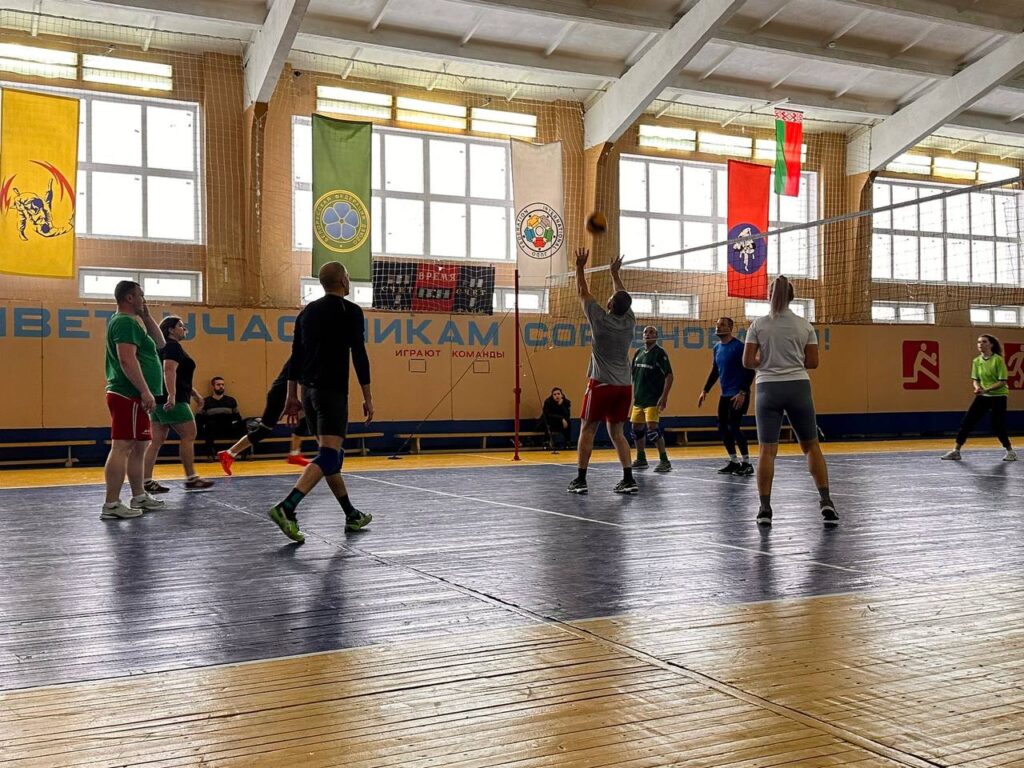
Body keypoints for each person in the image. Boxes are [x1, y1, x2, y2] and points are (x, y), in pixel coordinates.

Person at [268, 261, 374, 543]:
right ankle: (286, 507)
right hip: (332, 391)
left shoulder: (307, 312)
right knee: (328, 455)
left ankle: (351, 514)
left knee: (331, 456)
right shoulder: (350, 311)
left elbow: (296, 355)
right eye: (348, 276)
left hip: (308, 392)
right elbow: (359, 355)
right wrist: (368, 396)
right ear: (343, 281)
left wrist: (292, 396)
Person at [742, 275, 837, 527]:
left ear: (769, 295)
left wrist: (767, 361)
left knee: (767, 450)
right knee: (811, 446)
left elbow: (747, 361)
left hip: (767, 388)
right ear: (792, 297)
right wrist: (791, 361)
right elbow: (813, 362)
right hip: (798, 387)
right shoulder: (804, 325)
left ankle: (764, 509)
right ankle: (826, 500)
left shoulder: (758, 325)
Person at [568, 248, 637, 495]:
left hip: (601, 384)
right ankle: (628, 478)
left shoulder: (600, 320)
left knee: (587, 428)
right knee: (617, 433)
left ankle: (580, 479)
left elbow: (582, 291)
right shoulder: (630, 321)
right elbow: (623, 297)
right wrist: (615, 273)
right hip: (624, 386)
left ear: (609, 304)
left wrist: (579, 267)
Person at [101, 280, 167, 520]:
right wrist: (145, 391)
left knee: (140, 446)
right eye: (141, 295)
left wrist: (146, 316)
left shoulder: (133, 322)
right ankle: (111, 504)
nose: (144, 300)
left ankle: (139, 496)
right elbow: (126, 360)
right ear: (130, 298)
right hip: (127, 393)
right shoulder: (124, 322)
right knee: (122, 446)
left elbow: (161, 344)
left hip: (136, 396)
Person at [142, 317, 214, 494]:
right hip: (172, 400)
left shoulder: (162, 348)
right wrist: (172, 396)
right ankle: (192, 478)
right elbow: (169, 370)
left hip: (159, 399)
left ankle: (146, 481)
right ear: (171, 330)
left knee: (156, 441)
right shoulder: (172, 346)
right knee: (189, 434)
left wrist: (195, 394)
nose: (184, 329)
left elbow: (179, 376)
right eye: (180, 326)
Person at [216, 357, 313, 475]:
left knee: (305, 417)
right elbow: (299, 378)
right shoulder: (304, 354)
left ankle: (294, 453)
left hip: (285, 393)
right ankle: (229, 453)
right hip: (281, 395)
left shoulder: (308, 354)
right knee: (264, 429)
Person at [941, 334, 1017, 462]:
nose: (980, 344)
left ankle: (1010, 452)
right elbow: (975, 379)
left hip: (998, 396)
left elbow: (1002, 381)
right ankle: (956, 451)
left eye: (984, 342)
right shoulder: (976, 361)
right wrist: (977, 387)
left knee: (998, 425)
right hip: (983, 396)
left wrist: (986, 390)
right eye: (978, 342)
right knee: (967, 422)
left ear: (991, 344)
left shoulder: (997, 360)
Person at [698, 316, 755, 475]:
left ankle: (747, 463)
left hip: (738, 394)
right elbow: (715, 371)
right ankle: (734, 462)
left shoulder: (739, 347)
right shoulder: (717, 348)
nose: (718, 327)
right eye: (717, 325)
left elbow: (750, 371)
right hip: (725, 395)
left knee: (734, 427)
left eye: (722, 325)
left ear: (730, 328)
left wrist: (742, 392)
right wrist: (705, 390)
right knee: (722, 427)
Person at [630, 325, 673, 473]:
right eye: (645, 332)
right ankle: (641, 459)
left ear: (656, 336)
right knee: (636, 430)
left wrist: (664, 396)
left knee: (652, 430)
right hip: (638, 399)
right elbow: (632, 375)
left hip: (652, 399)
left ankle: (664, 460)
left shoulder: (660, 353)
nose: (647, 334)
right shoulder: (639, 353)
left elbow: (669, 376)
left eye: (651, 332)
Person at [198, 377, 243, 458]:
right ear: (213, 386)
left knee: (243, 426)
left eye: (222, 384)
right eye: (218, 385)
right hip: (212, 427)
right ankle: (210, 454)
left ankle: (244, 453)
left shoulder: (231, 400)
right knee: (208, 426)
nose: (221, 386)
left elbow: (237, 417)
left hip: (228, 426)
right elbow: (199, 417)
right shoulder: (206, 401)